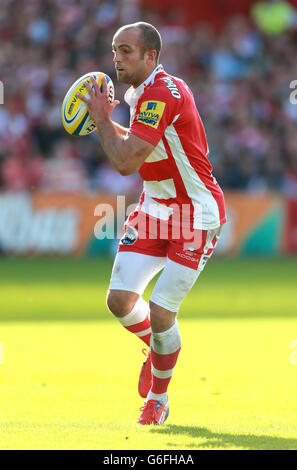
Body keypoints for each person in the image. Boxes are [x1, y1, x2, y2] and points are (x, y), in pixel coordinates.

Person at [77, 22, 226, 425]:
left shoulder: (162, 92)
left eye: (126, 51)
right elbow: (142, 145)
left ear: (150, 57)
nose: (117, 59)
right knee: (119, 301)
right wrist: (105, 122)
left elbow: (126, 162)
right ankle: (157, 349)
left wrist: (102, 120)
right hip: (156, 209)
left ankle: (158, 399)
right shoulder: (138, 93)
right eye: (114, 51)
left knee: (162, 313)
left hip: (195, 214)